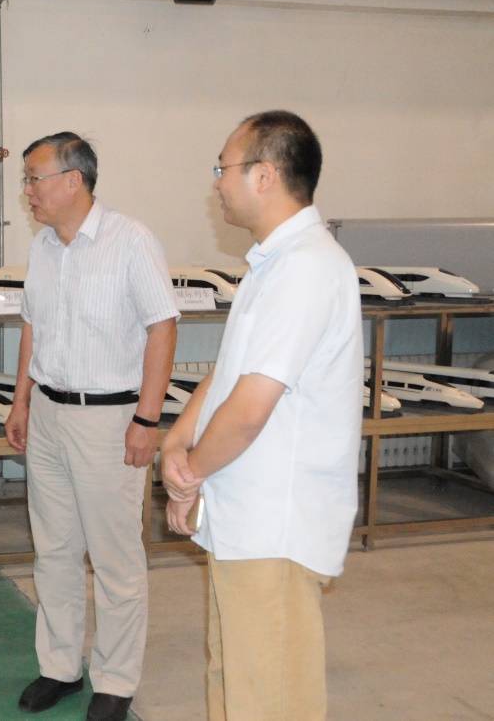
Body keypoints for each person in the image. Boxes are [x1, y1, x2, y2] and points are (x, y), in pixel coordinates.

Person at [162, 111, 362, 721]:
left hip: (277, 525)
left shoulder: (306, 268)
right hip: (245, 518)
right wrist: (176, 444)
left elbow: (249, 410)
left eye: (223, 167)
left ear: (264, 175)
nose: (217, 182)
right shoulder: (272, 264)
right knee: (235, 679)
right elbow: (227, 374)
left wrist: (190, 473)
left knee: (270, 698)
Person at [5, 133, 178, 721]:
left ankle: (116, 679)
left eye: (34, 178)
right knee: (53, 550)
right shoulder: (43, 248)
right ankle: (60, 666)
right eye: (26, 180)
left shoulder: (131, 241)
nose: (27, 191)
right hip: (48, 414)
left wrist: (146, 419)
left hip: (110, 419)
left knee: (114, 557)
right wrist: (21, 401)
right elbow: (33, 326)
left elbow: (162, 327)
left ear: (73, 179)